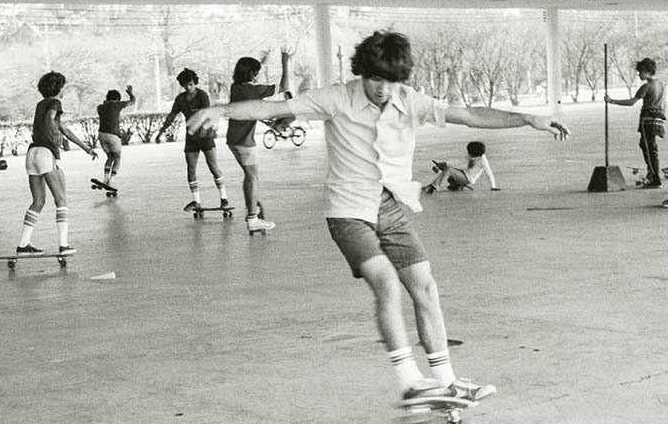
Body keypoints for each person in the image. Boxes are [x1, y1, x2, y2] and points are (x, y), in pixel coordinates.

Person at [187, 31, 570, 403]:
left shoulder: (410, 100)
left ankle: (446, 381)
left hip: (389, 206)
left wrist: (525, 118)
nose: (382, 89)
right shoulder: (337, 98)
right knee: (386, 282)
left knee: (425, 286)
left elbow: (469, 115)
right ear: (362, 72)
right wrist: (220, 109)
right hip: (348, 211)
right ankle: (410, 382)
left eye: (390, 81)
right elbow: (273, 108)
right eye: (374, 80)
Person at [14, 71, 97, 256]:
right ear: (58, 88)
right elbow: (50, 121)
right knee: (61, 199)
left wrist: (85, 147)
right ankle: (63, 245)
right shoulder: (55, 103)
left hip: (32, 153)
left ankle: (23, 245)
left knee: (38, 201)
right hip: (45, 153)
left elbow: (62, 128)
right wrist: (55, 132)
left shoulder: (40, 104)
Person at [227, 48, 292, 234]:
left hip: (233, 140)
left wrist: (262, 61)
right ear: (251, 74)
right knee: (253, 178)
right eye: (256, 72)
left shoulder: (236, 87)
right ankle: (253, 218)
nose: (258, 75)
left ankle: (253, 207)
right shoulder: (252, 90)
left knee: (249, 177)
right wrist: (285, 62)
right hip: (244, 142)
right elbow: (285, 86)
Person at [155, 68, 229, 211]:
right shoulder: (180, 99)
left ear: (195, 83)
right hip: (191, 137)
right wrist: (161, 132)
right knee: (190, 169)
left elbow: (207, 114)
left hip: (206, 135)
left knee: (213, 167)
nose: (188, 88)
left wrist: (204, 129)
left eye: (190, 84)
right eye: (185, 85)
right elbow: (172, 115)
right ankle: (196, 201)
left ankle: (224, 199)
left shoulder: (202, 95)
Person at [605, 58, 667, 188]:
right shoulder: (661, 84)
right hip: (659, 118)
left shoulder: (647, 86)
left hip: (648, 120)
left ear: (648, 71)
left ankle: (655, 178)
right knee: (648, 146)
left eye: (641, 72)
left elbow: (631, 102)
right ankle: (652, 173)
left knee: (649, 148)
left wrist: (612, 101)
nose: (639, 74)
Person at [422, 140, 497, 194]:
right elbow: (459, 161)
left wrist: (493, 187)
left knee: (449, 169)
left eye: (469, 153)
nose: (468, 154)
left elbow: (489, 173)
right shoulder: (472, 154)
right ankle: (456, 185)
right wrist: (442, 164)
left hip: (467, 179)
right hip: (463, 174)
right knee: (446, 167)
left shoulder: (483, 161)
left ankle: (433, 187)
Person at [97, 85, 136, 187]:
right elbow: (132, 101)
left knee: (110, 157)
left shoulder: (100, 107)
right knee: (117, 158)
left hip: (101, 135)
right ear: (117, 99)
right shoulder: (117, 105)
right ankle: (112, 181)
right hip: (113, 135)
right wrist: (130, 92)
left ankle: (105, 180)